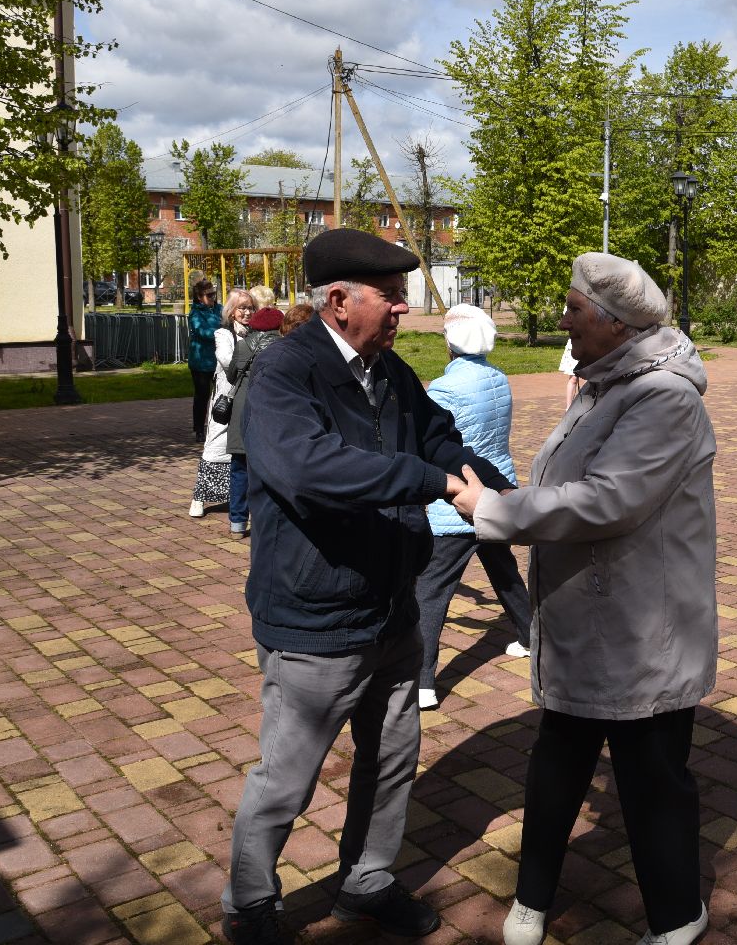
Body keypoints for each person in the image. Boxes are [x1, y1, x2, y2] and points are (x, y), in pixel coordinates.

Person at [221, 229, 511, 945]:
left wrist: (505, 493)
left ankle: (367, 880)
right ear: (341, 299)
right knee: (286, 780)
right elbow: (313, 471)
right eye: (393, 297)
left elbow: (437, 435)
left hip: (391, 611)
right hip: (315, 618)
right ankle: (249, 904)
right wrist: (434, 481)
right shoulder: (287, 372)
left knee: (389, 763)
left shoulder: (389, 371)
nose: (403, 310)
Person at [453, 252, 717, 945]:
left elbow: (609, 500)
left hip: (641, 631)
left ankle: (677, 918)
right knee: (556, 768)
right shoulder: (605, 385)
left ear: (616, 323)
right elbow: (570, 484)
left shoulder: (663, 397)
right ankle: (533, 898)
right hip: (583, 620)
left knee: (652, 779)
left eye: (573, 309)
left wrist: (497, 512)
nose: (562, 319)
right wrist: (515, 499)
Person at [415, 304, 533, 710]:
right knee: (505, 572)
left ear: (451, 344)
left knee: (431, 589)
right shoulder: (499, 378)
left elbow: (434, 443)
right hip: (497, 487)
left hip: (460, 494)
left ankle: (422, 682)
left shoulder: (445, 389)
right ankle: (532, 637)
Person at [223, 302, 285, 539]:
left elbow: (230, 376)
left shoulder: (243, 345)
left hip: (242, 408)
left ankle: (237, 523)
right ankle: (266, 522)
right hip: (272, 410)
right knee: (271, 469)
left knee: (240, 468)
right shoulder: (284, 346)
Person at [189, 287, 251, 520]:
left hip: (247, 398)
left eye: (250, 308)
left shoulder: (254, 333)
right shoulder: (223, 334)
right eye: (242, 308)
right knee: (215, 444)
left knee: (244, 449)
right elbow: (228, 362)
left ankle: (242, 496)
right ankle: (199, 497)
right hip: (227, 400)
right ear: (232, 311)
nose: (247, 312)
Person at [187, 280, 221, 441]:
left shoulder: (219, 309)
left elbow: (230, 322)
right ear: (200, 297)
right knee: (202, 395)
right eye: (209, 295)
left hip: (220, 360)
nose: (213, 297)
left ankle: (220, 426)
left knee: (222, 394)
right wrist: (222, 331)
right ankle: (199, 428)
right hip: (201, 362)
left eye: (214, 294)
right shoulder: (195, 313)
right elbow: (204, 333)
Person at [557, 337, 581, 409]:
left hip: (592, 344)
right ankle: (569, 408)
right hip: (576, 344)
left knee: (592, 378)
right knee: (573, 378)